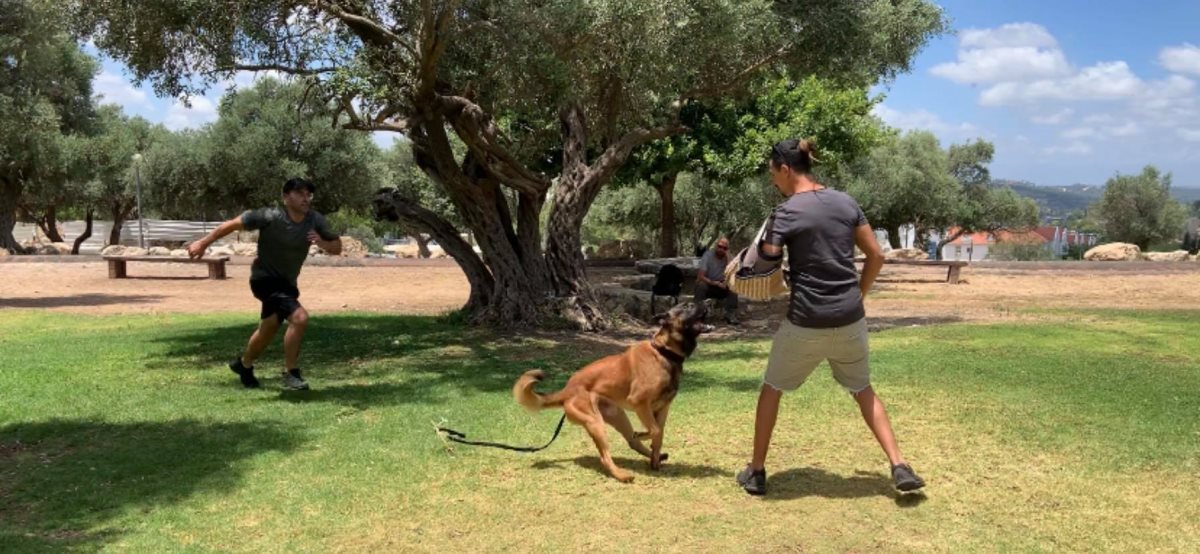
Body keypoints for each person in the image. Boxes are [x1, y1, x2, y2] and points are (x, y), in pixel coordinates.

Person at [735, 139, 924, 495]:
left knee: (772, 389)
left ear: (785, 169)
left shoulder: (786, 212)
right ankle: (899, 465)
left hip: (806, 321)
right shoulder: (846, 202)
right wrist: (859, 295)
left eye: (772, 173)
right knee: (863, 389)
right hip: (850, 318)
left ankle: (757, 471)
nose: (773, 180)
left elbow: (767, 261)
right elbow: (876, 256)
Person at [187, 178, 342, 390]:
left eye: (309, 194)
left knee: (268, 328)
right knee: (300, 318)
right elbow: (231, 224)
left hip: (287, 283)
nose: (306, 198)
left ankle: (244, 365)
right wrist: (203, 243)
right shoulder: (270, 216)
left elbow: (337, 247)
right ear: (286, 197)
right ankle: (291, 373)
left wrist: (321, 242)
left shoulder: (315, 220)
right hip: (264, 280)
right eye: (300, 193)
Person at [694, 237, 740, 325]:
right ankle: (699, 316)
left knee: (733, 285)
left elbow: (732, 274)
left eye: (724, 248)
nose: (721, 249)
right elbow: (700, 276)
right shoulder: (707, 256)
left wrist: (728, 256)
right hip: (709, 284)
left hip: (722, 286)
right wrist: (714, 283)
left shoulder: (729, 258)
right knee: (700, 285)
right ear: (716, 246)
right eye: (720, 246)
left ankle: (730, 314)